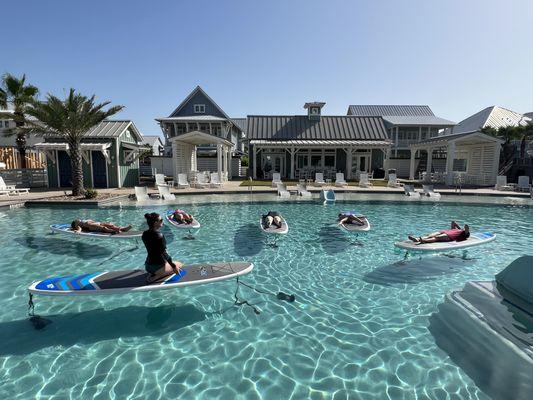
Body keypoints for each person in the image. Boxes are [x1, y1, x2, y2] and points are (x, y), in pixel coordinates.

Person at [142, 212, 183, 283]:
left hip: (148, 266)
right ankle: (156, 276)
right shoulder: (159, 236)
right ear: (155, 223)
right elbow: (164, 253)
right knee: (180, 264)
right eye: (161, 220)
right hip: (158, 267)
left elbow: (152, 250)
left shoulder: (144, 234)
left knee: (172, 264)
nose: (162, 221)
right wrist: (174, 267)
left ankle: (155, 273)